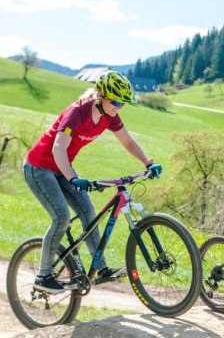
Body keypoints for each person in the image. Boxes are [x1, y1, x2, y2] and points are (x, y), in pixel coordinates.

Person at [24, 70, 162, 294]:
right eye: (115, 101)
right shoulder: (77, 112)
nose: (118, 107)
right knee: (61, 217)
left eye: (123, 104)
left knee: (89, 212)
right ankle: (43, 275)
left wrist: (148, 162)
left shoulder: (110, 116)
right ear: (101, 96)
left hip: (62, 169)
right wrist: (73, 178)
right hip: (39, 168)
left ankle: (101, 268)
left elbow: (127, 141)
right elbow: (58, 148)